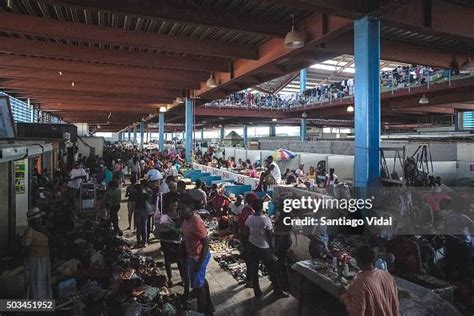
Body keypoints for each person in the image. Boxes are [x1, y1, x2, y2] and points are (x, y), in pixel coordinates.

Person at [245, 200, 288, 299]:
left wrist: (251, 238)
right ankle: (278, 291)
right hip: (263, 247)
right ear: (262, 208)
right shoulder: (265, 219)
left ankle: (257, 292)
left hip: (252, 244)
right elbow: (269, 235)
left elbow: (246, 231)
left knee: (254, 270)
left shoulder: (249, 218)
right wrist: (271, 248)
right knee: (272, 269)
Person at [340, 245, 399, 316]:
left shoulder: (361, 283)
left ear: (359, 262)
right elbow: (395, 305)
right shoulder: (387, 275)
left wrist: (344, 296)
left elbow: (356, 313)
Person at [181, 198, 214, 315]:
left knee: (199, 287)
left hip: (198, 256)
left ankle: (202, 309)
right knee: (201, 281)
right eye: (180, 209)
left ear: (191, 210)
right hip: (192, 255)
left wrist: (199, 264)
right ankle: (209, 306)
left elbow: (206, 242)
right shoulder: (186, 220)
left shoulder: (196, 222)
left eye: (184, 209)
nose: (181, 211)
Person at [159, 197, 189, 299]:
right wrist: (164, 226)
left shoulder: (180, 216)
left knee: (179, 260)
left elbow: (179, 230)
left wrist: (169, 226)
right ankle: (170, 279)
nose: (173, 207)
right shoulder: (164, 215)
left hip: (176, 241)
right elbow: (159, 228)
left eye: (175, 205)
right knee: (167, 260)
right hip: (165, 240)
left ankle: (183, 279)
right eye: (172, 205)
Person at [22, 208, 52, 299]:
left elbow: (24, 245)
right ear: (34, 220)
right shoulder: (33, 231)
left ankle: (38, 299)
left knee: (37, 281)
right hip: (36, 260)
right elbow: (26, 244)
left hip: (39, 259)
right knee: (38, 281)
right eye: (39, 218)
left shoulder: (35, 230)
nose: (41, 220)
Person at [134, 180, 151, 247]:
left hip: (137, 210)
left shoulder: (135, 194)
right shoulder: (145, 193)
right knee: (144, 226)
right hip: (144, 210)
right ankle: (145, 242)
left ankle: (138, 242)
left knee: (138, 227)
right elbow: (148, 197)